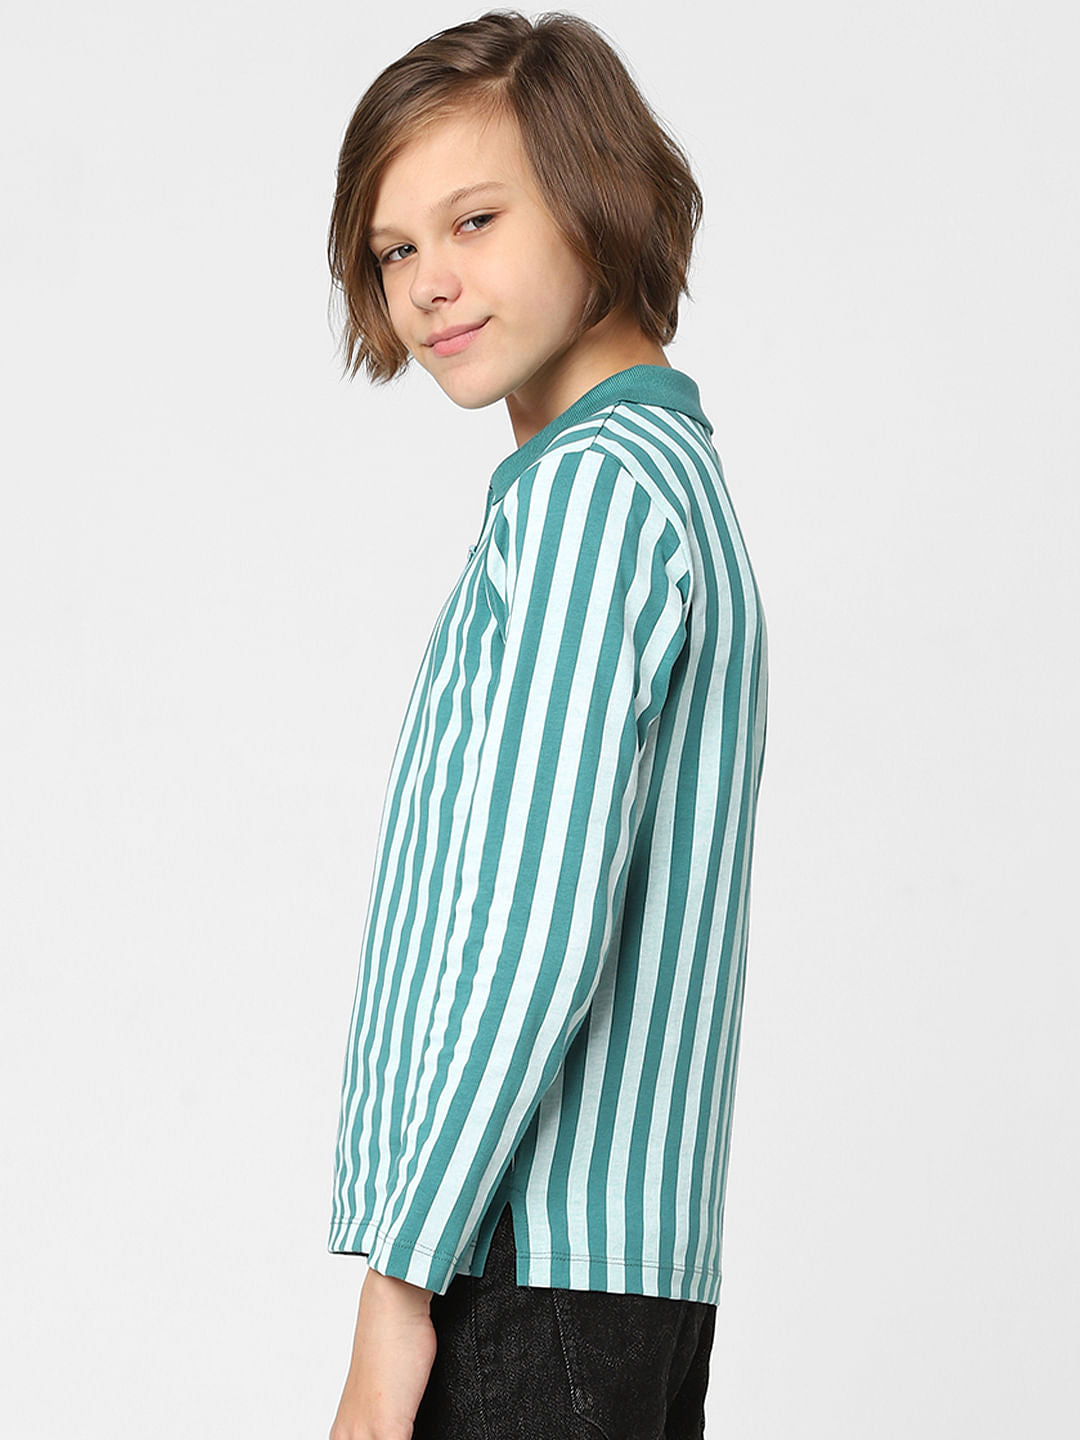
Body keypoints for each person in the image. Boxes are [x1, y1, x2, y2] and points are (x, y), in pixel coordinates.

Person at [323, 11, 769, 1439]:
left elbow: (531, 925)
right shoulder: (668, 477)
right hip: (624, 1275)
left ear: (596, 194)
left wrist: (399, 1284)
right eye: (394, 249)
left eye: (474, 219)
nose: (428, 282)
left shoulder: (589, 499)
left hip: (520, 1262)